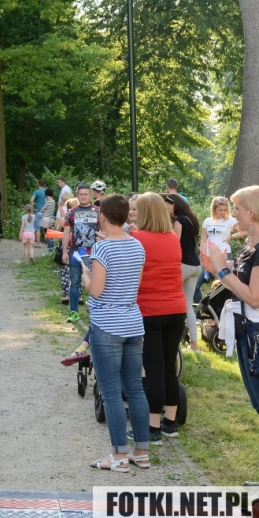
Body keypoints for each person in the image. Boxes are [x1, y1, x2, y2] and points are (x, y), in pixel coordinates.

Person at [201, 186, 259, 483]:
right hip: (247, 332)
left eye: (238, 208)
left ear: (251, 212)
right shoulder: (250, 246)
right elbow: (241, 281)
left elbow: (255, 297)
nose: (234, 214)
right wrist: (217, 268)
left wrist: (223, 272)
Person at [79, 194, 150, 472]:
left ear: (102, 217)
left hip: (107, 324)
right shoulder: (137, 245)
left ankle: (119, 455)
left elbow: (96, 290)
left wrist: (85, 275)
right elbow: (136, 285)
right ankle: (141, 452)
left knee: (110, 392)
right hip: (133, 322)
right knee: (135, 389)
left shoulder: (102, 249)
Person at [132, 193, 187, 443]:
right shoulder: (173, 238)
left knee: (153, 369)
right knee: (168, 366)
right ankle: (170, 422)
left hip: (150, 310)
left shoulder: (137, 238)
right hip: (176, 308)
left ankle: (152, 427)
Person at [163, 194, 201, 352]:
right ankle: (194, 345)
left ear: (175, 204)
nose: (167, 209)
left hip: (184, 264)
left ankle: (172, 339)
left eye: (168, 206)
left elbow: (174, 243)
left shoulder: (179, 220)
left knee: (167, 298)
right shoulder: (191, 219)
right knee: (188, 305)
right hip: (196, 266)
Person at [194, 197, 246, 303]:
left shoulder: (230, 220)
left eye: (225, 210)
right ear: (214, 209)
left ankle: (219, 309)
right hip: (208, 256)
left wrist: (232, 236)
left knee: (223, 287)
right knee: (195, 285)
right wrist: (202, 253)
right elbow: (204, 239)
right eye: (220, 210)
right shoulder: (207, 221)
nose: (223, 212)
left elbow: (246, 230)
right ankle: (203, 308)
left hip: (224, 255)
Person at [62, 184, 97, 318]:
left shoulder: (98, 211)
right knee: (75, 281)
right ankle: (74, 311)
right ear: (77, 195)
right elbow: (66, 233)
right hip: (76, 251)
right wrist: (64, 252)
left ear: (90, 195)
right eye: (81, 194)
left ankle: (94, 310)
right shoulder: (71, 212)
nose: (83, 196)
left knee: (95, 280)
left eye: (85, 194)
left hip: (94, 252)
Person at [58, 197, 79, 306]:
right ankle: (79, 296)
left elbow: (58, 231)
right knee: (78, 271)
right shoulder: (81, 217)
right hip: (78, 247)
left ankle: (66, 294)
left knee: (65, 271)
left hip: (66, 246)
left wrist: (62, 217)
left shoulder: (65, 218)